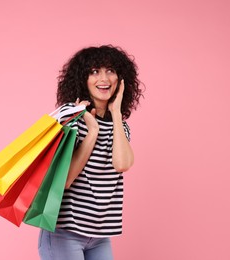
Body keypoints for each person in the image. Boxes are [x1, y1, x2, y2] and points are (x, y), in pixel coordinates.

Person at [38, 45, 143, 260]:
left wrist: (115, 113)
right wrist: (92, 131)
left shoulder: (120, 127)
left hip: (100, 235)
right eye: (94, 71)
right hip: (64, 232)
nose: (103, 78)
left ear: (120, 79)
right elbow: (64, 180)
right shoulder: (70, 117)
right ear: (82, 79)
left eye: (110, 70)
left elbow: (122, 164)